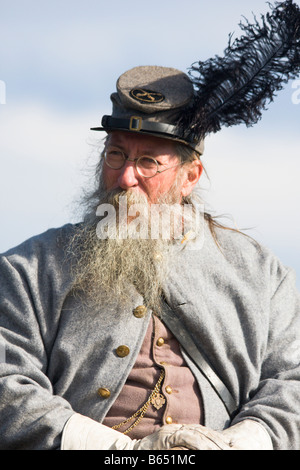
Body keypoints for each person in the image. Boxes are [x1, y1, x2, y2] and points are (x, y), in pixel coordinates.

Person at [1, 1, 300, 451]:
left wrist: (234, 445)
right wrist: (125, 453)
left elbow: (291, 383)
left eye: (147, 162)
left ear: (189, 177)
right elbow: (7, 384)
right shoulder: (28, 270)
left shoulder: (261, 274)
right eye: (116, 155)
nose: (125, 177)